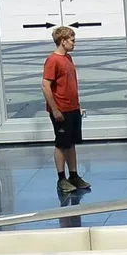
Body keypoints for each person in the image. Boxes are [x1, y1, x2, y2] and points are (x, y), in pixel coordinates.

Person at [41, 26, 90, 193]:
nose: (74, 43)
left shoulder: (68, 58)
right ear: (63, 41)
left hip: (72, 108)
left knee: (72, 143)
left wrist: (77, 105)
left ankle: (74, 175)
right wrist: (55, 109)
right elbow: (46, 86)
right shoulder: (53, 60)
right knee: (62, 143)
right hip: (60, 109)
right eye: (72, 40)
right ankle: (61, 178)